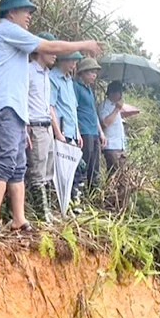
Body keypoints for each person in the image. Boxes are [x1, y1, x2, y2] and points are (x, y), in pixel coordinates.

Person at [0, 0, 101, 235]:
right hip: (4, 107)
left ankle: (19, 218)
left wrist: (23, 122)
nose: (29, 16)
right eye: (25, 10)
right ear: (10, 13)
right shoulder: (7, 30)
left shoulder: (7, 35)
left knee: (18, 166)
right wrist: (83, 44)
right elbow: (48, 46)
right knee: (5, 163)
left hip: (14, 110)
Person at [26, 32, 59, 222]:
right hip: (35, 125)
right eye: (51, 49)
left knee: (48, 170)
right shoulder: (28, 70)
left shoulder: (46, 75)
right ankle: (41, 213)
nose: (55, 54)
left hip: (47, 126)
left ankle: (47, 211)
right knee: (37, 171)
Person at [49, 51, 84, 205]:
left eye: (75, 61)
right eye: (71, 60)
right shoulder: (53, 78)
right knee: (61, 172)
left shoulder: (70, 80)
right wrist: (58, 133)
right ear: (63, 60)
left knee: (77, 169)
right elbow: (51, 107)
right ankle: (62, 204)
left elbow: (72, 109)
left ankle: (73, 202)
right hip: (61, 132)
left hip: (72, 132)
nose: (74, 64)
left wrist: (78, 133)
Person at [74, 58, 106, 191]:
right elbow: (73, 110)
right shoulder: (76, 87)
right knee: (83, 164)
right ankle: (79, 193)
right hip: (84, 130)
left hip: (93, 131)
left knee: (94, 166)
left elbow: (93, 112)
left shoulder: (89, 90)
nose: (94, 75)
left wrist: (101, 132)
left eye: (95, 72)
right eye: (91, 72)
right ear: (83, 73)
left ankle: (93, 193)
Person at [99, 80, 134, 176]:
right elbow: (105, 123)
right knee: (114, 175)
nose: (121, 96)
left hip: (120, 146)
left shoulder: (115, 106)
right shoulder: (104, 106)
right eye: (119, 93)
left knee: (122, 176)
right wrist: (117, 109)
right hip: (111, 146)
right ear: (112, 93)